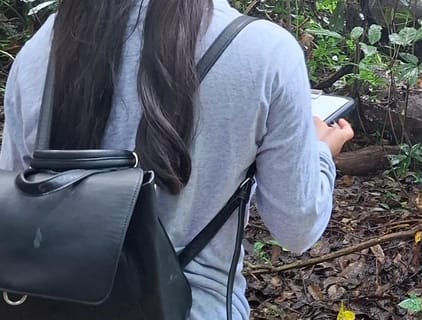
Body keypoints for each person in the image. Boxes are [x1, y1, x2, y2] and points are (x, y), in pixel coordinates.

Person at [0, 0, 353, 319]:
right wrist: (321, 153)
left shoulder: (44, 46)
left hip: (52, 308)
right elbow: (297, 228)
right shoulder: (265, 52)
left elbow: (18, 204)